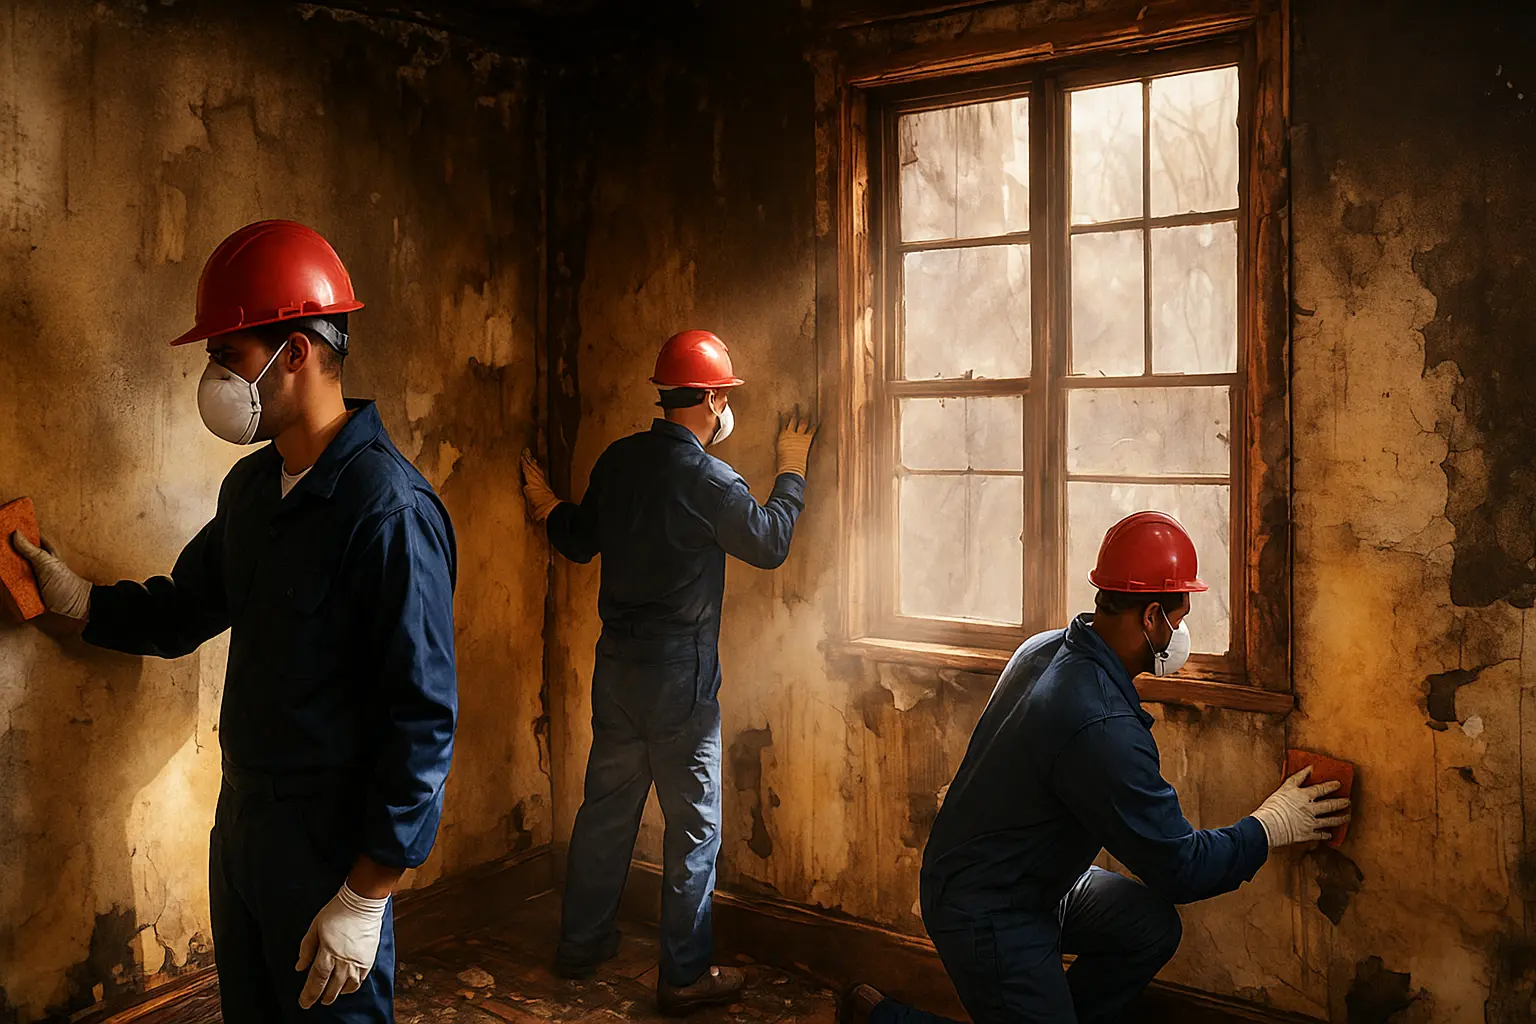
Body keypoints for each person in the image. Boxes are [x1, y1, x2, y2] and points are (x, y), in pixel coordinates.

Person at [11, 220, 458, 1023]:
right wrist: (82, 601)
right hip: (245, 826)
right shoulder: (254, 492)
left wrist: (367, 895)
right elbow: (187, 606)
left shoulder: (388, 510)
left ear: (295, 352)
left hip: (331, 850)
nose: (214, 377)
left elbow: (422, 721)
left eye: (229, 356)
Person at [846, 511, 1349, 1024]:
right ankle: (880, 1019)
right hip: (989, 905)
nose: (1181, 633)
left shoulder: (1045, 647)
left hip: (1036, 879)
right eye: (1178, 618)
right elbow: (1180, 869)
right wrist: (1270, 826)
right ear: (1151, 616)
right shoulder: (1097, 722)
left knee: (1149, 928)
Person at [520, 329, 816, 1015]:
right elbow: (770, 543)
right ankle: (683, 976)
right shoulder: (711, 481)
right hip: (679, 679)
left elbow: (579, 538)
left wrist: (543, 503)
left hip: (617, 668)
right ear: (713, 398)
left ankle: (580, 945)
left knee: (605, 814)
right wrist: (792, 471)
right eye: (726, 395)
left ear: (665, 396)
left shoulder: (619, 460)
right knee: (692, 829)